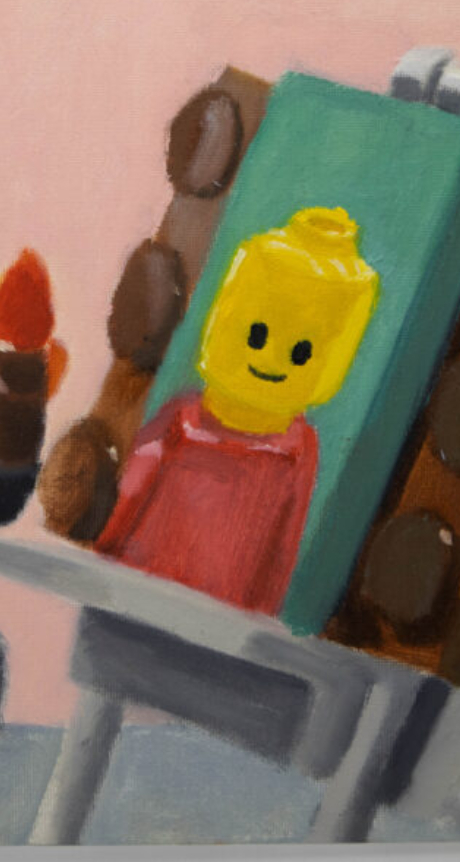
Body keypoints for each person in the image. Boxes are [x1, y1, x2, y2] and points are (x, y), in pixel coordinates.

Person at [95, 207, 379, 615]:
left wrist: (260, 614)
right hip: (134, 589)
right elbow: (132, 488)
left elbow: (282, 549)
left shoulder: (299, 448)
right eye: (256, 335)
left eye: (301, 354)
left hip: (222, 616)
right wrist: (104, 554)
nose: (271, 360)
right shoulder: (185, 418)